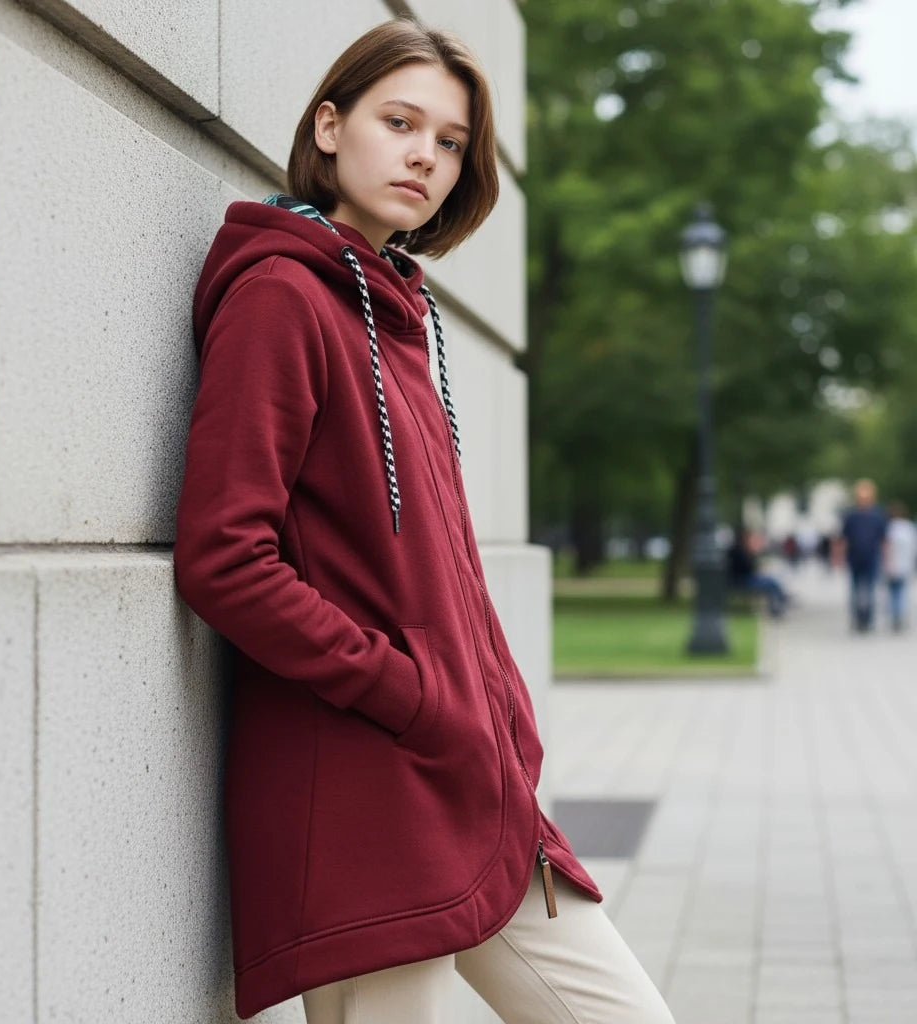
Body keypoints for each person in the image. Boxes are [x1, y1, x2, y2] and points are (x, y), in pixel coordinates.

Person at [173, 18, 675, 1024]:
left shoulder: (396, 316)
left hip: (470, 785)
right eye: (399, 121)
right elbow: (224, 556)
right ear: (328, 125)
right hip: (369, 793)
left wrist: (495, 720)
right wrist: (405, 690)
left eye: (449, 141)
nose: (424, 156)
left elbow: (439, 570)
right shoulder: (282, 297)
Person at [837, 478, 888, 632]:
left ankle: (868, 619)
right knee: (855, 590)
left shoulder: (878, 514)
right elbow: (843, 538)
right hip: (854, 557)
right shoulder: (851, 515)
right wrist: (838, 557)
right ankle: (857, 619)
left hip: (872, 557)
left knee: (870, 590)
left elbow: (884, 540)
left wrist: (886, 559)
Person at [727, 528, 788, 617]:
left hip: (743, 578)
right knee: (771, 583)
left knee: (772, 580)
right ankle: (777, 607)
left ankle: (780, 603)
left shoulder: (738, 550)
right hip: (743, 580)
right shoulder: (739, 551)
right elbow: (748, 567)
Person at [884, 502, 917, 631]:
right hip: (905, 565)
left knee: (892, 593)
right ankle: (900, 615)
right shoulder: (909, 528)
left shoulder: (888, 528)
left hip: (891, 565)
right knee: (902, 592)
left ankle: (895, 615)